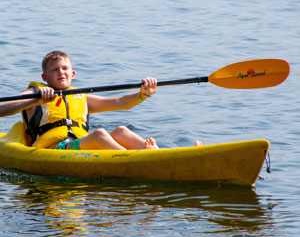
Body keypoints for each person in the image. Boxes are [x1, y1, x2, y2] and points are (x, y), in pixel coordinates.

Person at [0, 51, 201, 150]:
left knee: (121, 130)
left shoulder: (80, 97)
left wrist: (144, 93)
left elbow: (121, 102)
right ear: (45, 77)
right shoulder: (35, 92)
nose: (61, 73)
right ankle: (135, 160)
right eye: (54, 70)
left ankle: (157, 156)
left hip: (78, 145)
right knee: (99, 134)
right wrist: (34, 101)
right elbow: (3, 109)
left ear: (73, 74)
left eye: (64, 69)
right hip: (52, 149)